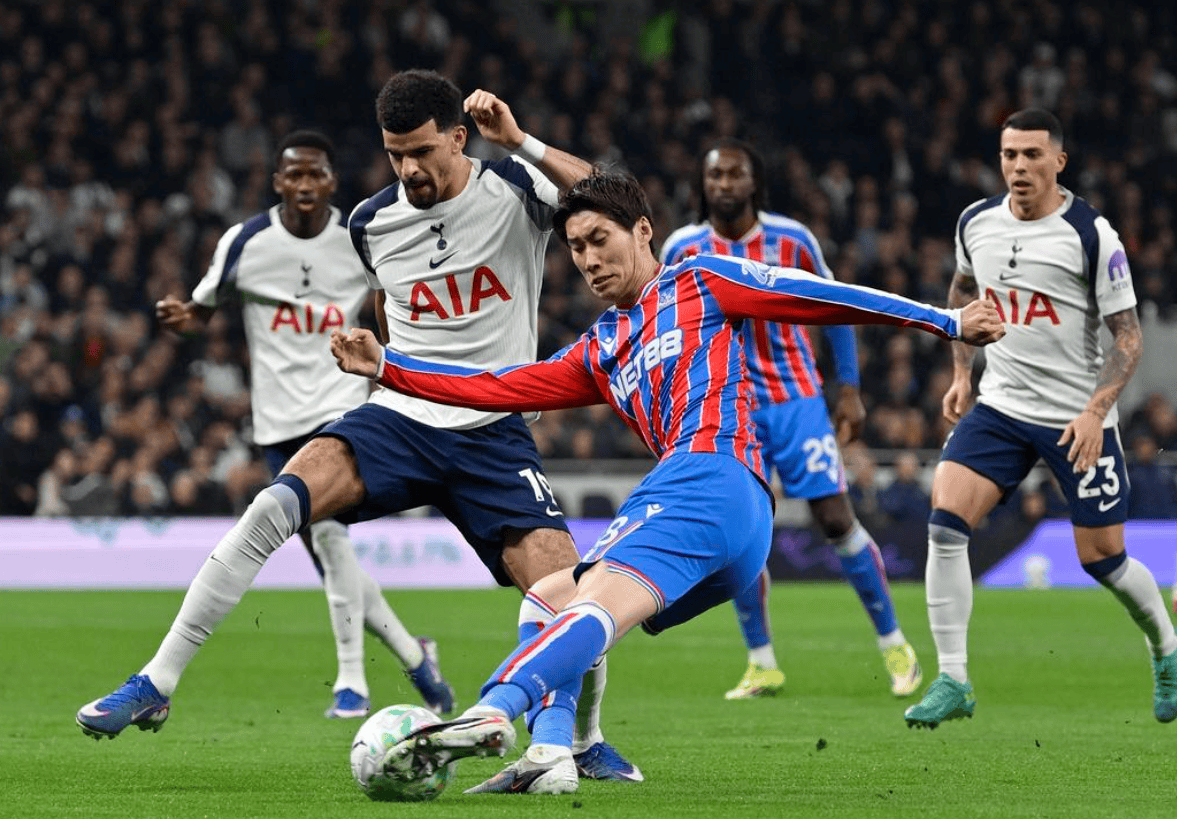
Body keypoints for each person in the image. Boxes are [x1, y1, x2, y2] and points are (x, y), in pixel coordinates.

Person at [329, 170, 1004, 793]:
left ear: (643, 231)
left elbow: (814, 296)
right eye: (575, 247)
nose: (588, 259)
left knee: (585, 599)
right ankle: (555, 752)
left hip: (712, 474)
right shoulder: (600, 346)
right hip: (725, 524)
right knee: (551, 596)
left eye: (600, 239)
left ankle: (491, 710)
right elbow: (496, 385)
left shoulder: (699, 280)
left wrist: (944, 319)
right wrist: (388, 368)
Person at [77, 71, 638, 782]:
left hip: (491, 429)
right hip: (401, 415)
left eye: (423, 152)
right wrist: (382, 361)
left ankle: (582, 741)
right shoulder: (372, 223)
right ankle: (156, 682)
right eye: (395, 154)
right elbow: (384, 304)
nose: (409, 170)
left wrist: (521, 140)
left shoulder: (514, 188)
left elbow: (611, 200)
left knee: (569, 589)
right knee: (275, 503)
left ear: (459, 138)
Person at [149, 130, 454, 720]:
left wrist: (397, 372)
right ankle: (416, 657)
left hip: (341, 409)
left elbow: (391, 306)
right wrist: (180, 319)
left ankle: (351, 682)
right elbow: (200, 312)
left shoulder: (359, 238)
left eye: (316, 173)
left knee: (332, 539)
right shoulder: (247, 242)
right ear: (278, 182)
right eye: (295, 174)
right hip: (277, 423)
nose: (306, 184)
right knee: (330, 556)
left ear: (332, 181)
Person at [903, 108, 1177, 729]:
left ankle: (1165, 647)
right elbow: (963, 293)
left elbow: (1129, 336)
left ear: (1059, 160)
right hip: (1002, 406)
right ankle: (953, 679)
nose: (1019, 167)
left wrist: (1095, 412)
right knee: (945, 520)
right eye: (1010, 155)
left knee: (1103, 559)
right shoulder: (976, 222)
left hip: (1074, 416)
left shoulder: (1091, 234)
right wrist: (962, 373)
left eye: (1032, 155)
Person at [660, 140, 921, 700]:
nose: (724, 184)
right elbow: (666, 325)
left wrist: (848, 387)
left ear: (754, 182)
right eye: (715, 176)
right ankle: (762, 662)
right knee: (742, 533)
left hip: (796, 400)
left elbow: (835, 304)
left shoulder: (792, 239)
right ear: (703, 184)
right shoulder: (682, 247)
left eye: (734, 174)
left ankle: (896, 645)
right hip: (728, 407)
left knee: (835, 519)